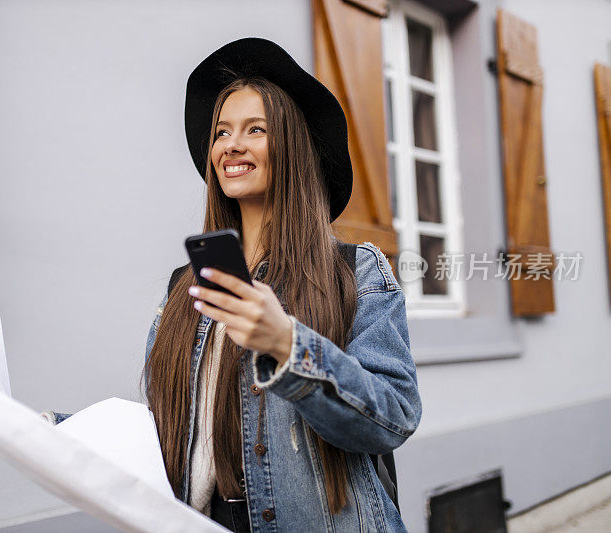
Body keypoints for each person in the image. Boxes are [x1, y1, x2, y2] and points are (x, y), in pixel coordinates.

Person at [47, 37, 421, 532]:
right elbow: (171, 428)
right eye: (222, 132)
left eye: (255, 129)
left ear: (292, 147)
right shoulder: (187, 287)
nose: (231, 144)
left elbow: (393, 414)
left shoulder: (355, 271)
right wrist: (71, 439)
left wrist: (288, 346)